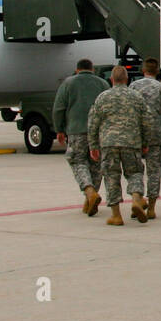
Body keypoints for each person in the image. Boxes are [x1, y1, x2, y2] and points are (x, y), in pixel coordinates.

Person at [87, 66, 145, 227]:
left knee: (111, 177)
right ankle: (135, 199)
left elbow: (93, 124)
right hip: (132, 142)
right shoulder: (136, 97)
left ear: (111, 80)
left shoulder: (102, 97)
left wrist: (93, 145)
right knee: (135, 173)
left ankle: (116, 215)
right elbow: (146, 122)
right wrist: (145, 143)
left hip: (108, 143)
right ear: (126, 79)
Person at [53, 58, 110, 216]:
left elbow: (59, 108)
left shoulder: (68, 83)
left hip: (76, 130)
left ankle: (89, 191)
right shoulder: (102, 84)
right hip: (98, 131)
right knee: (96, 165)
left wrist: (59, 129)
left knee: (78, 161)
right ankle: (90, 199)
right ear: (92, 69)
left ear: (77, 69)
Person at [127, 57, 161, 222]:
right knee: (154, 171)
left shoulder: (133, 87)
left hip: (136, 134)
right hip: (156, 134)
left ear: (143, 70)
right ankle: (152, 208)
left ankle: (138, 199)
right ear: (157, 72)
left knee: (135, 170)